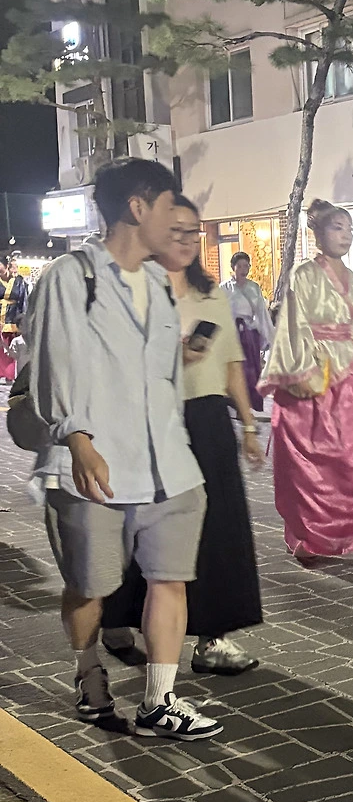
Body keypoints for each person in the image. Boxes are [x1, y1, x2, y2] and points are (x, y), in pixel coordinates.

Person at [23, 158, 221, 740]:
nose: (176, 222)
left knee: (170, 578)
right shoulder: (71, 276)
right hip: (95, 464)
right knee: (90, 585)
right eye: (168, 208)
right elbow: (54, 364)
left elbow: (153, 373)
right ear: (138, 208)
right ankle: (89, 673)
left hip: (168, 464)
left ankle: (161, 699)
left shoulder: (158, 282)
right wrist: (77, 440)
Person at [101, 197, 265, 676]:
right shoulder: (136, 287)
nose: (188, 241)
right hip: (151, 418)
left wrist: (248, 424)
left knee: (218, 527)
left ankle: (212, 636)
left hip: (208, 417)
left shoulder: (211, 292)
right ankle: (119, 615)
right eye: (177, 231)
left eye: (194, 232)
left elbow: (231, 362)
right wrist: (171, 356)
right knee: (142, 524)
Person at [262, 198, 353, 569]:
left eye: (349, 229)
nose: (345, 235)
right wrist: (304, 373)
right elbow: (294, 327)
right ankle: (311, 534)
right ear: (318, 234)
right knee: (314, 470)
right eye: (337, 228)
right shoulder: (303, 275)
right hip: (315, 380)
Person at [222, 251, 273, 411]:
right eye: (240, 266)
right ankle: (237, 404)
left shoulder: (253, 288)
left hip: (250, 334)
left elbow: (261, 313)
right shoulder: (224, 288)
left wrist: (269, 337)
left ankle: (252, 405)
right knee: (236, 370)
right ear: (233, 267)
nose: (244, 270)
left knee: (251, 371)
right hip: (232, 334)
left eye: (246, 266)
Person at [0, 256, 28, 383]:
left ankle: (9, 376)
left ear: (7, 266)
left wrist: (23, 320)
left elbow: (23, 300)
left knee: (10, 348)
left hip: (12, 318)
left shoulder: (19, 281)